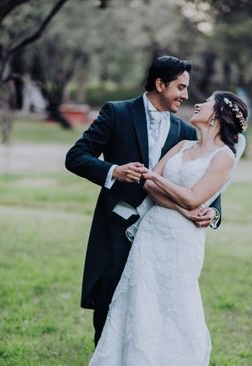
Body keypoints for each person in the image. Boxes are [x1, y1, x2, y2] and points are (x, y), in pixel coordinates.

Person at [74, 91, 248, 366]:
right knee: (136, 310)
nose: (194, 101)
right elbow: (152, 185)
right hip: (150, 234)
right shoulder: (183, 145)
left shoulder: (223, 155)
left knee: (170, 313)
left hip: (181, 242)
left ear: (215, 116)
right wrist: (182, 204)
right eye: (182, 87)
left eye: (206, 101)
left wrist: (202, 208)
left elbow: (201, 195)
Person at [65, 56, 222, 347]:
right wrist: (114, 171)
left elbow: (206, 179)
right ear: (160, 84)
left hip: (164, 235)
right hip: (118, 227)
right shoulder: (117, 113)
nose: (186, 95)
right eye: (180, 87)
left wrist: (214, 211)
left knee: (152, 309)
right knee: (109, 302)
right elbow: (75, 157)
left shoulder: (185, 132)